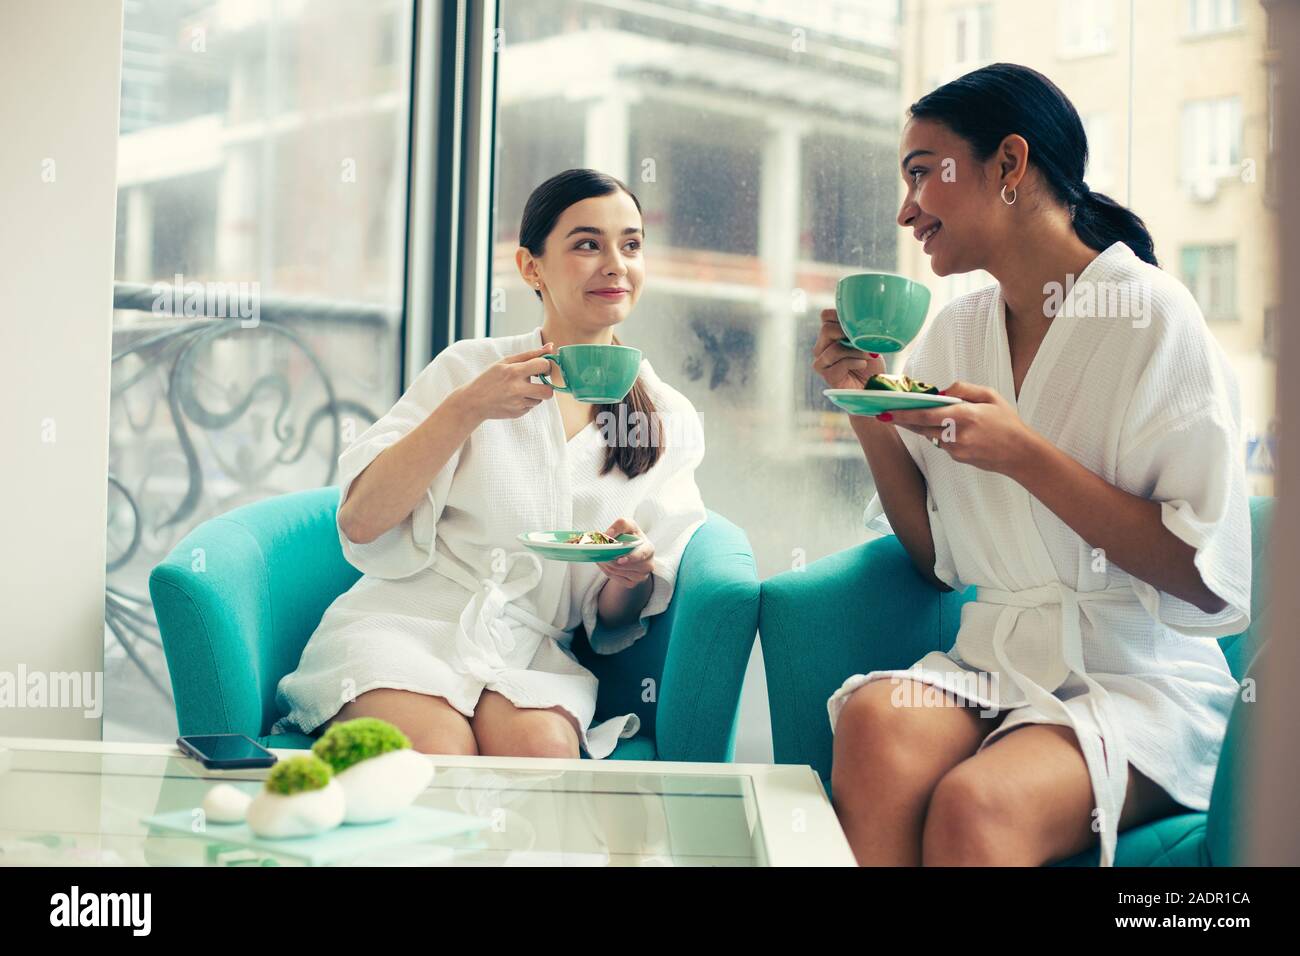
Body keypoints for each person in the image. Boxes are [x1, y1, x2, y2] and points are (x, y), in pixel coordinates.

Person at [812, 63, 1251, 866]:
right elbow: (938, 561)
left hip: (1138, 679)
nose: (906, 209)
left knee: (977, 807)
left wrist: (1025, 456)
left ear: (1009, 165)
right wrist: (866, 403)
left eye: (922, 174)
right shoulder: (957, 329)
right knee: (876, 721)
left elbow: (1206, 576)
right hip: (996, 662)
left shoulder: (1153, 316)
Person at [273, 168, 707, 760]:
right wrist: (469, 408)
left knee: (542, 757)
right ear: (532, 267)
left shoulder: (666, 416)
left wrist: (627, 575)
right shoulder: (469, 369)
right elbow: (361, 521)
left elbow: (612, 621)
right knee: (439, 752)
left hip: (528, 647)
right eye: (587, 244)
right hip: (409, 623)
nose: (614, 263)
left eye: (630, 244)